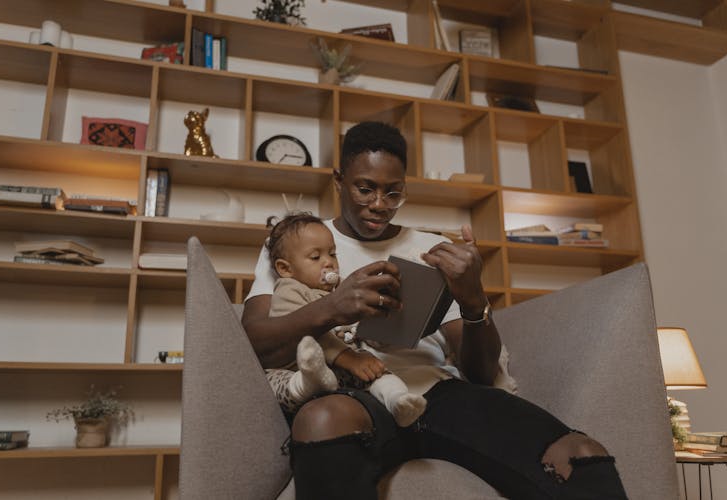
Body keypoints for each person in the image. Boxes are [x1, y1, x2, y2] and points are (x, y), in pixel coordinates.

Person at [242, 121, 628, 499]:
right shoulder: (296, 241)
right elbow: (254, 344)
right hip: (353, 396)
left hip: (437, 393)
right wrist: (333, 307)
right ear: (339, 180)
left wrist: (473, 298)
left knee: (578, 454)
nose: (379, 205)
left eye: (393, 193)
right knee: (320, 420)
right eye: (365, 189)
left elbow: (478, 372)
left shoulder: (431, 249)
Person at [262, 212, 427, 426]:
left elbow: (357, 331)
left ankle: (398, 401)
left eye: (332, 254)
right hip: (296, 369)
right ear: (285, 268)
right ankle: (306, 385)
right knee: (273, 382)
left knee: (378, 371)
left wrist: (380, 330)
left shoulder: (341, 290)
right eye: (316, 257)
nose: (329, 263)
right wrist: (348, 357)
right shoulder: (289, 289)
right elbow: (307, 333)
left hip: (339, 372)